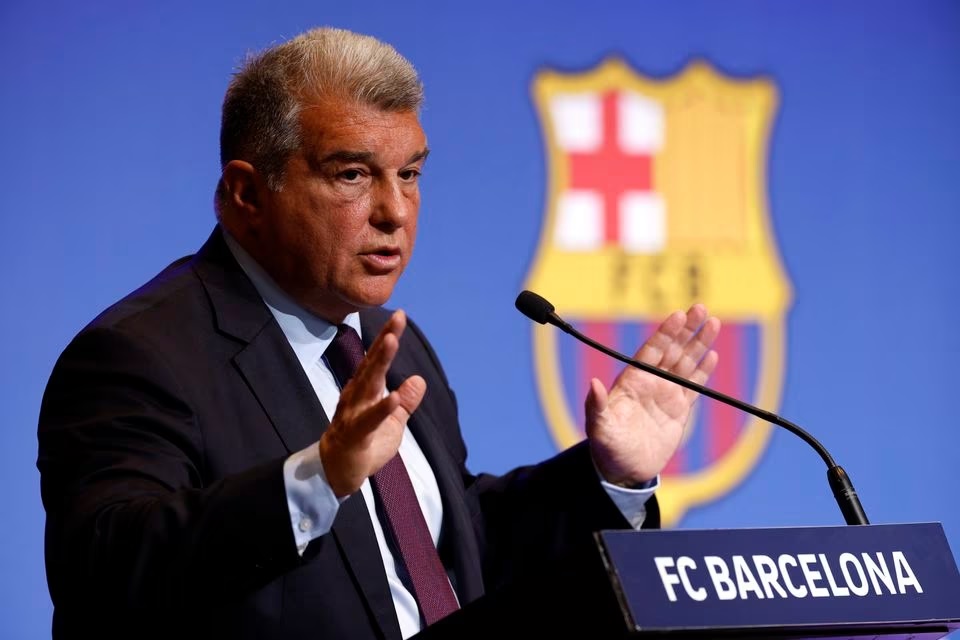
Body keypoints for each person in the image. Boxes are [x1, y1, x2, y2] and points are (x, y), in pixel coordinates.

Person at [37, 27, 720, 639]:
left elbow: (455, 548)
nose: (395, 211)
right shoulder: (140, 355)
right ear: (248, 195)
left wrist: (607, 475)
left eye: (410, 174)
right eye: (352, 175)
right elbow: (107, 570)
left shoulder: (388, 340)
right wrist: (317, 478)